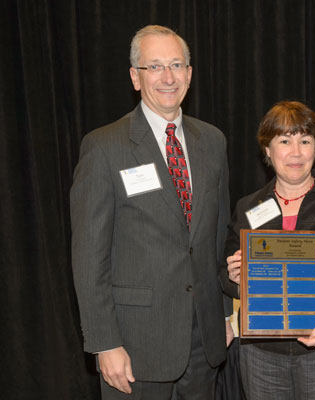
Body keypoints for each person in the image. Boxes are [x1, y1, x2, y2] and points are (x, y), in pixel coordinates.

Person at [71, 25, 233, 400]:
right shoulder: (104, 147)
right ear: (135, 77)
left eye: (177, 64)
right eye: (155, 66)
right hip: (134, 344)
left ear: (190, 74)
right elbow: (88, 257)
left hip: (203, 341)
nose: (168, 76)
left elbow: (216, 237)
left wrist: (223, 312)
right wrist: (104, 343)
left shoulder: (212, 141)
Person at [222, 101, 315, 400]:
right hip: (261, 354)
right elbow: (225, 277)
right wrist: (235, 277)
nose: (295, 152)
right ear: (267, 150)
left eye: (305, 141)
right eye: (284, 141)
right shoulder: (248, 207)